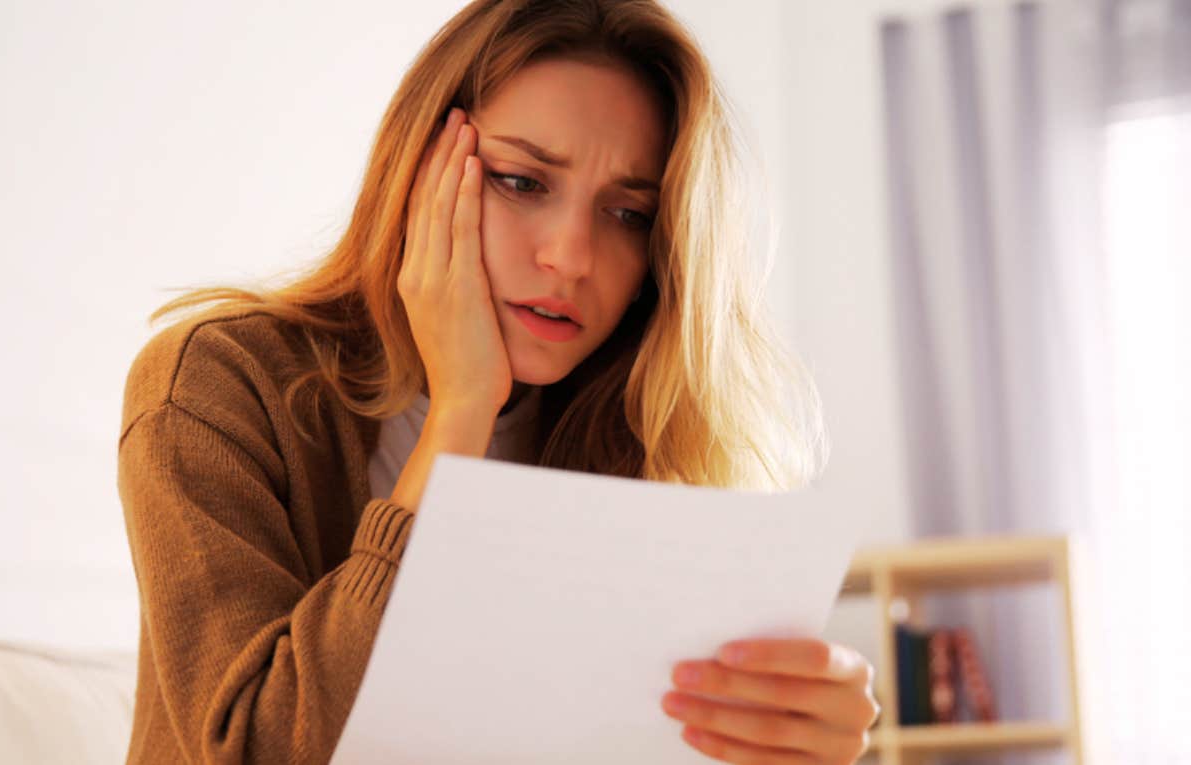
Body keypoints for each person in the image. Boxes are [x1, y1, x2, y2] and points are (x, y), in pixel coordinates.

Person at [116, 0, 880, 762]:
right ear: (419, 174)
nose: (572, 256)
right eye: (521, 181)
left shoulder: (637, 443)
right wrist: (461, 413)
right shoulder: (217, 384)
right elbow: (257, 750)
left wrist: (790, 736)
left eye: (627, 213)